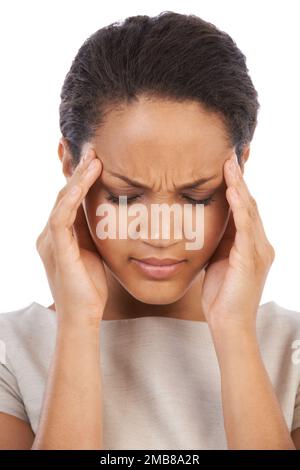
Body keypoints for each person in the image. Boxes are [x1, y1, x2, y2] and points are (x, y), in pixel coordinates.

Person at [0, 11, 299, 450]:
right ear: (70, 166)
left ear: (240, 169)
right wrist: (78, 326)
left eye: (196, 196)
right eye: (124, 195)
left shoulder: (290, 348)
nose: (161, 235)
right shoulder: (12, 350)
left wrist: (235, 330)